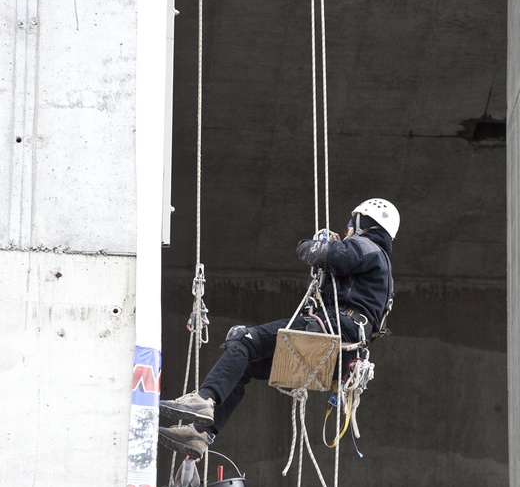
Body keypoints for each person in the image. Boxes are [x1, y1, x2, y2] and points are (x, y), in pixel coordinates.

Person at [158, 197, 400, 459]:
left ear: (365, 223)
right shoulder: (378, 265)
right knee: (244, 366)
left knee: (243, 339)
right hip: (341, 353)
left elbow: (322, 255)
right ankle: (200, 433)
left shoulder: (365, 246)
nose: (348, 230)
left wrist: (313, 244)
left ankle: (203, 400)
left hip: (331, 331)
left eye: (352, 224)